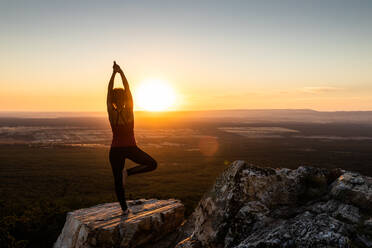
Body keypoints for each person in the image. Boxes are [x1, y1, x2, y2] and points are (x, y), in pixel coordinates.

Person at [107, 61, 157, 214]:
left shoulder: (112, 111)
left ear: (114, 100)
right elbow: (127, 90)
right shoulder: (129, 110)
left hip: (116, 150)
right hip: (130, 148)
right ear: (123, 99)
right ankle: (128, 175)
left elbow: (109, 92)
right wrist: (120, 72)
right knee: (152, 164)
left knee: (118, 180)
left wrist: (114, 73)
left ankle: (124, 209)